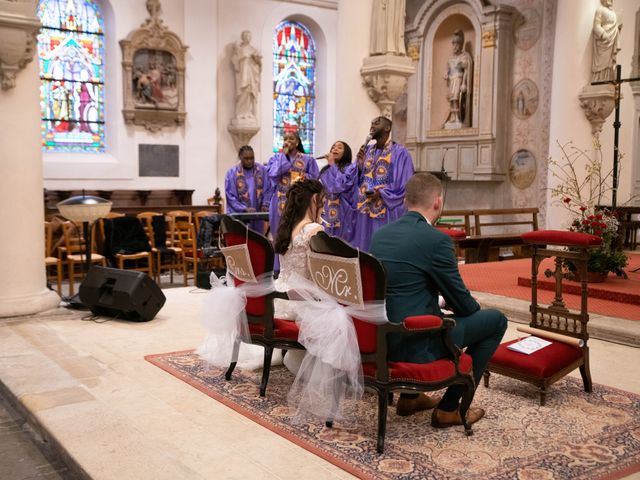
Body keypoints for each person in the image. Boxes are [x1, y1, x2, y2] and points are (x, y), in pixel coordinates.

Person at [369, 172, 507, 426]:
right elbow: (463, 304)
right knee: (495, 321)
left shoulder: (380, 235)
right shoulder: (437, 240)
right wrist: (469, 306)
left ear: (404, 201)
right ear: (438, 203)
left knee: (429, 311)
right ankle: (449, 408)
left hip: (381, 339)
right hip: (418, 344)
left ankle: (410, 399)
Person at [272, 179, 325, 373]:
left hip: (279, 298)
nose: (324, 207)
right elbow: (320, 275)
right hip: (301, 300)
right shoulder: (313, 230)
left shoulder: (287, 227)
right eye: (323, 201)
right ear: (314, 200)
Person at [352, 116, 414, 252]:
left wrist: (381, 193)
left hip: (386, 210)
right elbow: (356, 180)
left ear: (387, 128)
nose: (372, 125)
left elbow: (404, 183)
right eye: (371, 123)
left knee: (382, 250)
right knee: (364, 250)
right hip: (365, 211)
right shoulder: (367, 151)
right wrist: (360, 166)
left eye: (376, 123)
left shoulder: (400, 153)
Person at [265, 132, 319, 245]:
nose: (287, 141)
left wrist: (302, 177)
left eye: (291, 138)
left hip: (300, 201)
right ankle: (278, 262)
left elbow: (315, 179)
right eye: (285, 139)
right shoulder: (276, 158)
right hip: (280, 200)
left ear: (297, 142)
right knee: (279, 236)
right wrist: (283, 156)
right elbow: (273, 175)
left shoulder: (308, 160)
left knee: (297, 233)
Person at [318, 141, 357, 243]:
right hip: (326, 212)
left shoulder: (351, 168)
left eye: (339, 147)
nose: (334, 149)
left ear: (346, 152)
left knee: (340, 245)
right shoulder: (325, 170)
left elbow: (338, 186)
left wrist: (332, 164)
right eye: (333, 147)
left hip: (343, 212)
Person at [224, 145, 268, 233]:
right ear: (240, 157)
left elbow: (268, 189)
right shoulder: (231, 173)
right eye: (246, 158)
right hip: (239, 216)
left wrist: (265, 204)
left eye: (252, 158)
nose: (249, 161)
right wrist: (244, 209)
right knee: (241, 243)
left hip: (257, 216)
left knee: (257, 242)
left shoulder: (262, 170)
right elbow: (230, 196)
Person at [444, 30, 472, 128]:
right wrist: (446, 74)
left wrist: (464, 83)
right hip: (452, 80)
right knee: (452, 98)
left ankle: (457, 118)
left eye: (457, 44)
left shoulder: (463, 57)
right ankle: (452, 117)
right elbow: (447, 69)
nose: (454, 47)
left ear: (460, 45)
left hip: (458, 80)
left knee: (456, 98)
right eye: (453, 44)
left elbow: (466, 71)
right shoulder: (450, 58)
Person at [231, 30, 262, 120]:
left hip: (251, 74)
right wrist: (241, 57)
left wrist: (256, 60)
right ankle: (240, 113)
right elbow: (234, 60)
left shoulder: (254, 50)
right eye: (246, 36)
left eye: (249, 36)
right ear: (243, 37)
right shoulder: (240, 49)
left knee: (249, 92)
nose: (248, 37)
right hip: (243, 74)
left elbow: (259, 64)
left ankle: (248, 112)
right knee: (242, 92)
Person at [591, 0, 622, 82]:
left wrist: (619, 28)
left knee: (610, 62)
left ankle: (608, 79)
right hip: (604, 40)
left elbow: (615, 26)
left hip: (612, 39)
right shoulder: (600, 10)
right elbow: (596, 25)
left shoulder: (613, 13)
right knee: (602, 61)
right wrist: (603, 35)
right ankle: (599, 80)